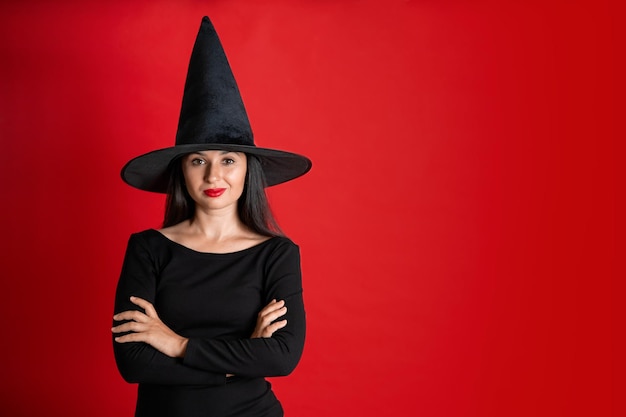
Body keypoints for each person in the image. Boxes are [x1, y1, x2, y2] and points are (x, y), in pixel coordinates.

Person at [111, 16, 311, 417]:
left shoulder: (277, 254)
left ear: (247, 170)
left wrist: (176, 344)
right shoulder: (148, 249)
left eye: (229, 160)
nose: (213, 175)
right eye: (198, 160)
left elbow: (282, 357)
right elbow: (133, 363)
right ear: (181, 171)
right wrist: (238, 361)